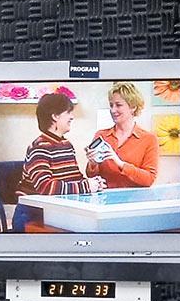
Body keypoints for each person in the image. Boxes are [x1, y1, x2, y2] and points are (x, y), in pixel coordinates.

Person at [12, 91, 105, 232]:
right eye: (68, 112)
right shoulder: (38, 147)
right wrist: (86, 186)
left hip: (57, 213)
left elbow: (75, 179)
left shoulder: (67, 144)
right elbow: (46, 187)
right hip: (33, 215)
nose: (72, 117)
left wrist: (95, 183)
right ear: (55, 116)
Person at [85, 82, 159, 189]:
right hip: (104, 200)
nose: (113, 110)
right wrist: (93, 164)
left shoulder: (149, 139)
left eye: (118, 105)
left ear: (133, 107)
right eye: (111, 105)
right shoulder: (101, 135)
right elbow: (91, 176)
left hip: (134, 201)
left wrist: (120, 163)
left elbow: (149, 179)